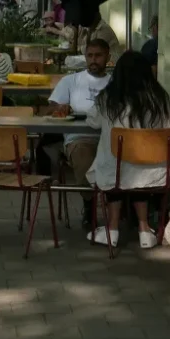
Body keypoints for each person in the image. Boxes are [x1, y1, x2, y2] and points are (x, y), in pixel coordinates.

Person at [85, 50, 170, 248]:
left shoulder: (107, 99)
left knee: (118, 169)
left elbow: (92, 121)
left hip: (115, 171)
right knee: (137, 174)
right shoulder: (160, 98)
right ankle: (144, 230)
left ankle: (112, 229)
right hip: (154, 173)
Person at [48, 38, 113, 229]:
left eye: (98, 56)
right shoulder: (71, 80)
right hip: (78, 138)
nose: (94, 60)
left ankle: (122, 207)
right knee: (84, 157)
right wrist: (61, 107)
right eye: (90, 55)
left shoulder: (115, 82)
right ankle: (89, 205)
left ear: (108, 57)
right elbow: (51, 108)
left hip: (109, 138)